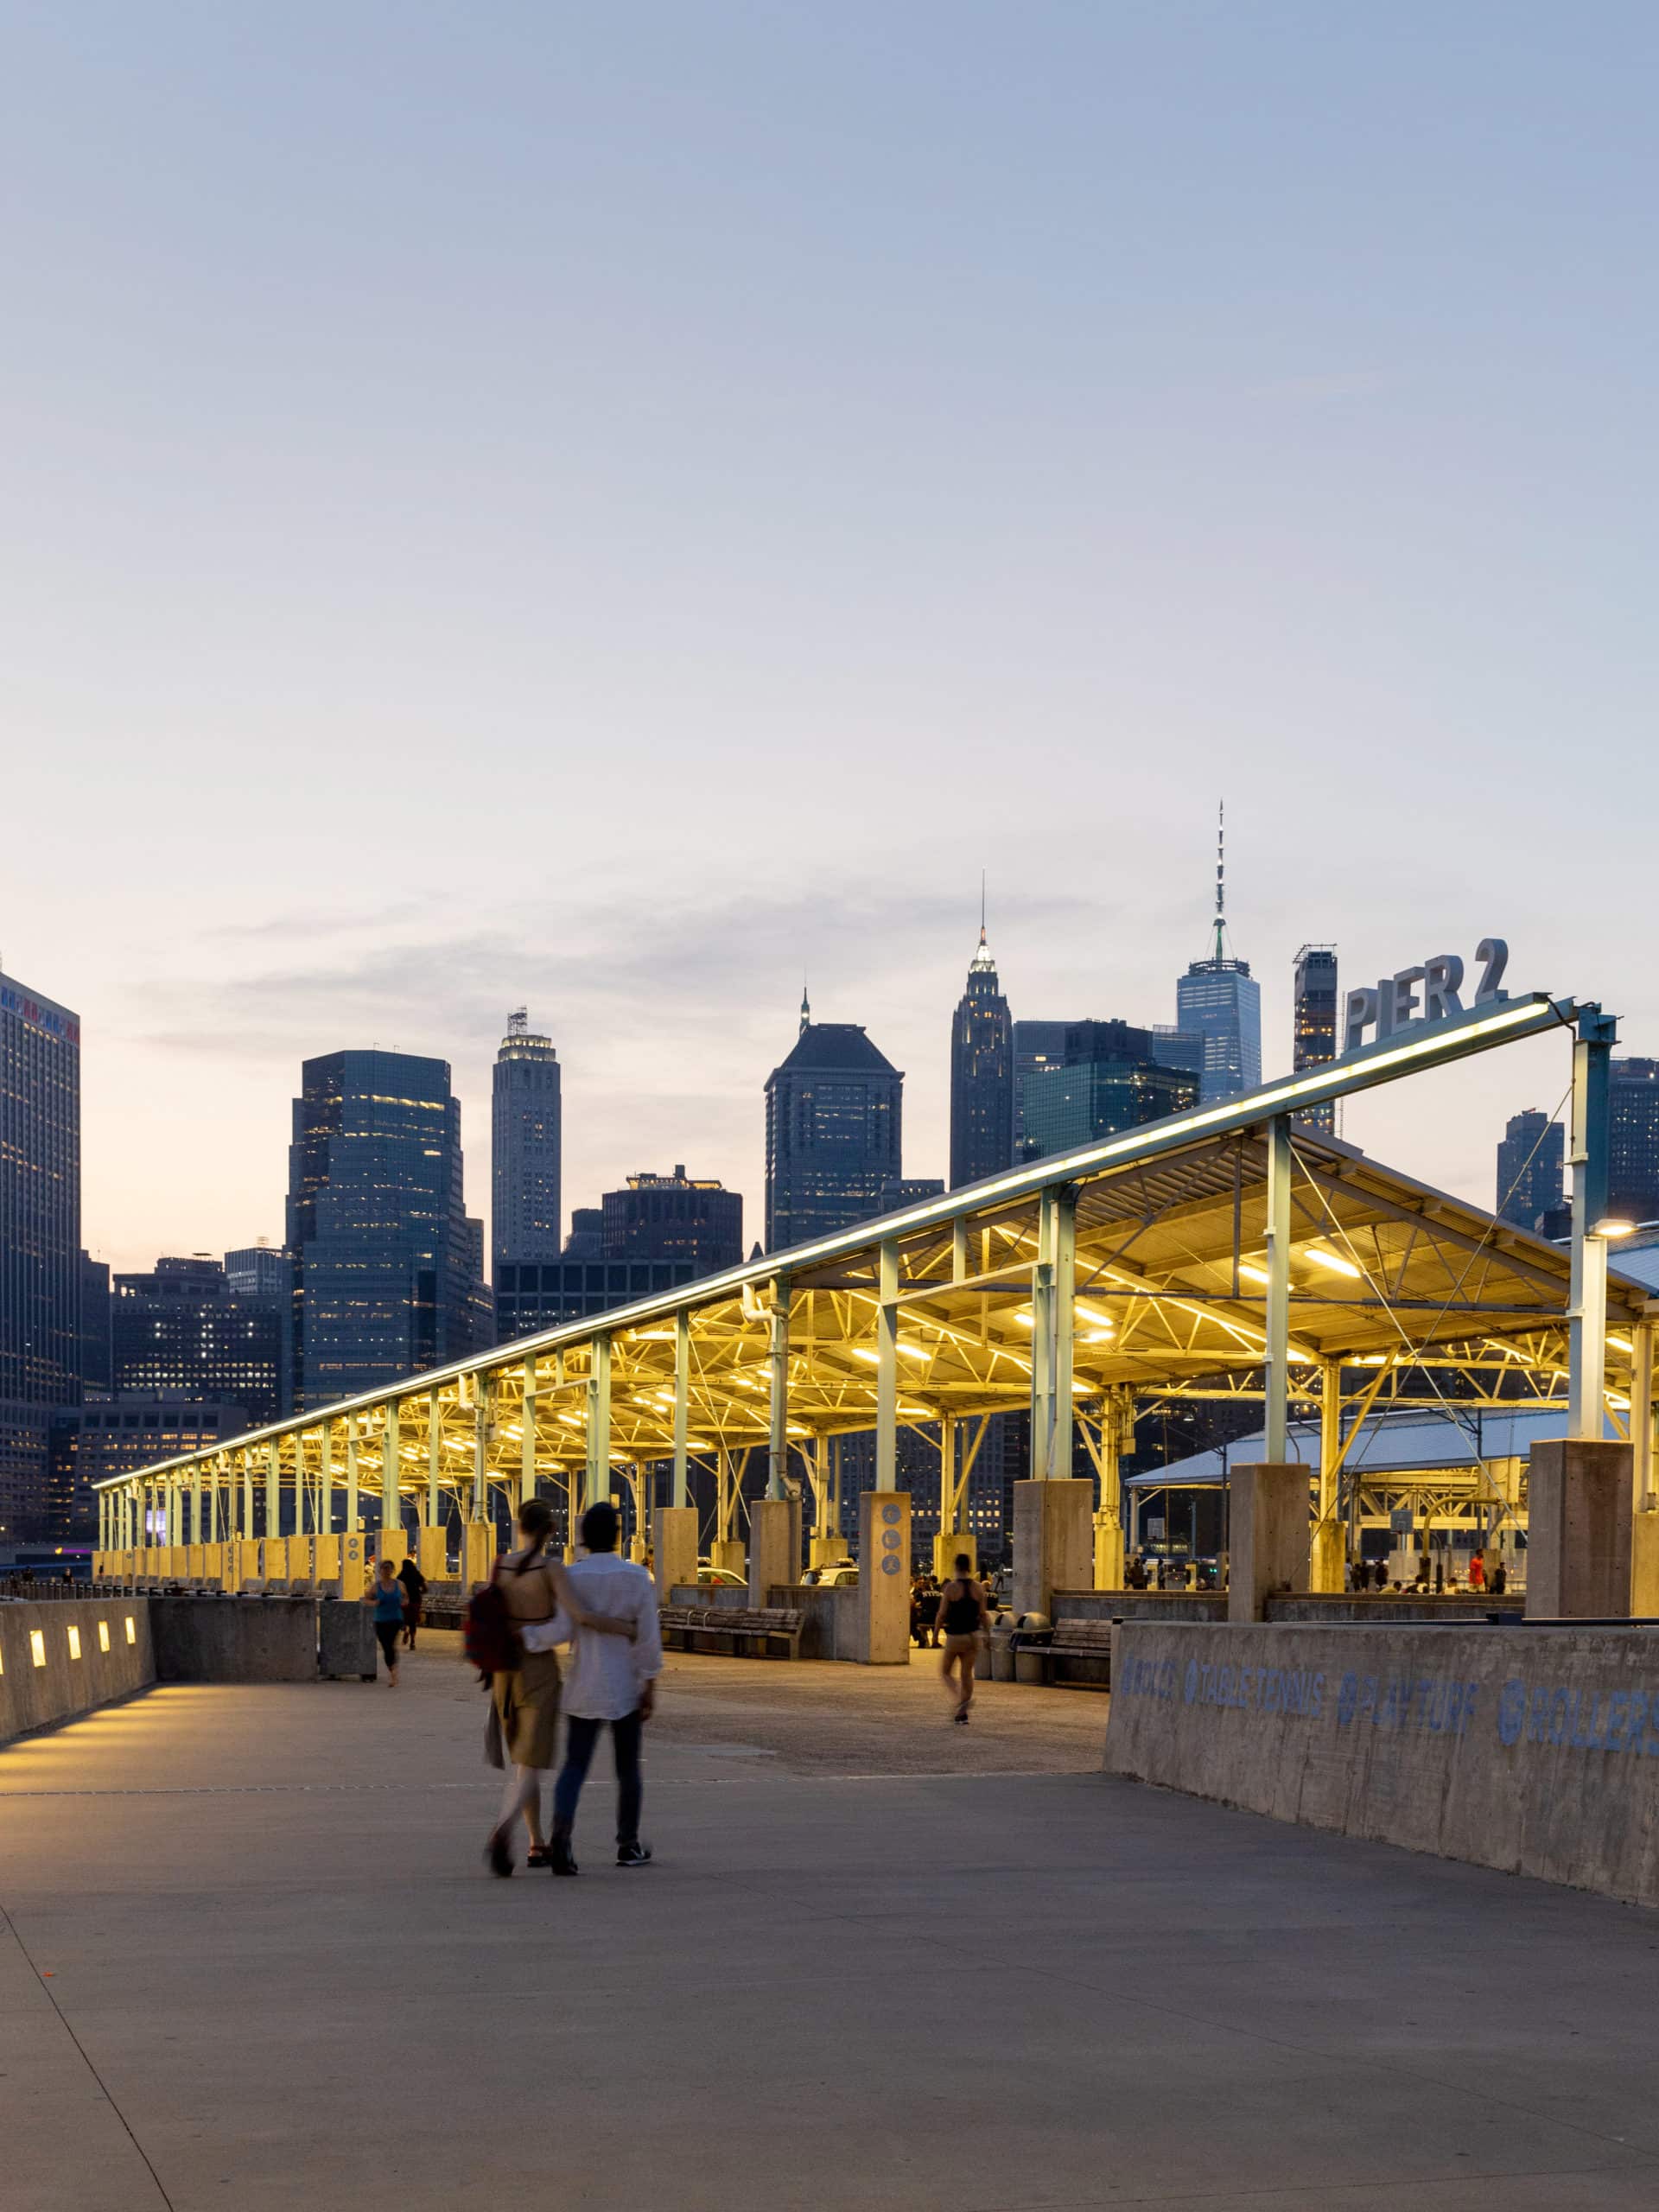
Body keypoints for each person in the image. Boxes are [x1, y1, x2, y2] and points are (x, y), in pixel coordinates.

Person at [485, 1498, 636, 1878]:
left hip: (504, 1672)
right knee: (532, 1764)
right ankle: (504, 1825)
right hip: (537, 1671)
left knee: (524, 1763)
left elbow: (492, 1619)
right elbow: (580, 1618)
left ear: (519, 1526)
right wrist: (625, 1628)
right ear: (551, 1531)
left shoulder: (500, 1564)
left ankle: (537, 1843)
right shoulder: (551, 1569)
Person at [549, 1501, 664, 1875]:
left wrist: (526, 1638)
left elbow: (562, 1631)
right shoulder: (636, 1578)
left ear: (582, 1538)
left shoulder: (572, 1577)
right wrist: (650, 1682)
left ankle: (561, 1838)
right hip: (625, 1687)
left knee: (574, 1767)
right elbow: (648, 1637)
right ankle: (627, 1845)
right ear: (617, 1536)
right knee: (628, 1769)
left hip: (584, 1685)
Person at [934, 1553, 988, 1726]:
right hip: (973, 1637)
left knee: (946, 1672)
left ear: (956, 1567)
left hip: (956, 1636)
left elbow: (941, 1615)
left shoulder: (950, 1588)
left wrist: (935, 1636)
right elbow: (983, 1615)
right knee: (967, 1675)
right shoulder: (979, 1588)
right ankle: (962, 1714)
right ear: (970, 1568)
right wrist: (987, 1635)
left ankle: (960, 1700)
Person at [368, 1559, 407, 1686]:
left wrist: (405, 1601)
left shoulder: (399, 1584)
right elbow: (365, 1599)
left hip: (395, 1619)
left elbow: (406, 1597)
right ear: (380, 1571)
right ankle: (392, 1669)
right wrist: (374, 1603)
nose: (387, 1571)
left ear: (393, 1570)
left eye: (389, 1568)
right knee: (386, 1647)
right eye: (384, 1568)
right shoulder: (375, 1587)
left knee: (390, 1645)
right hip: (380, 1621)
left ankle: (393, 1674)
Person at [396, 1553, 428, 1649]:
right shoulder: (417, 1575)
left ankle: (405, 1630)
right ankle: (412, 1642)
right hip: (416, 1600)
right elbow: (425, 1588)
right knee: (413, 1621)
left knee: (404, 1619)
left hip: (404, 1601)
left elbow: (396, 1589)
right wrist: (419, 1592)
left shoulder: (401, 1576)